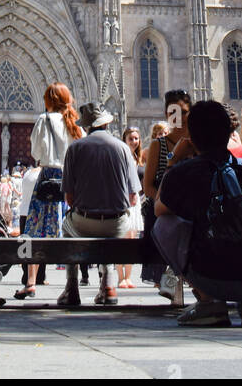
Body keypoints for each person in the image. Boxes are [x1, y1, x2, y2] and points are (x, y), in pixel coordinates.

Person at [153, 100, 242, 328]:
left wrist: (173, 159)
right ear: (229, 133)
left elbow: (159, 208)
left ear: (191, 136)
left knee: (163, 224)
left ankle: (209, 302)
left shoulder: (184, 172)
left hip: (213, 276)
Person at [57, 102, 139, 309]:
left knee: (66, 227)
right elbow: (133, 199)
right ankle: (109, 285)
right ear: (107, 124)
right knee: (112, 231)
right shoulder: (123, 148)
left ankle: (71, 286)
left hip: (84, 222)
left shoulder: (75, 148)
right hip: (117, 224)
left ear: (86, 126)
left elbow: (69, 198)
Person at [16, 83, 83, 299]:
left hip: (47, 178)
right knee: (70, 231)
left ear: (48, 100)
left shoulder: (44, 120)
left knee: (34, 231)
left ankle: (30, 283)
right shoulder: (75, 124)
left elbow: (36, 151)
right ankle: (72, 285)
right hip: (70, 179)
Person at [142, 90, 191, 292]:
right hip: (163, 209)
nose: (178, 117)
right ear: (166, 115)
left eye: (183, 111)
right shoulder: (158, 145)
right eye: (173, 112)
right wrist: (167, 204)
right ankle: (172, 289)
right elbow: (147, 187)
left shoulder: (197, 143)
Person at [116, 126, 144, 290]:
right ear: (124, 140)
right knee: (121, 240)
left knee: (131, 240)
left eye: (136, 138)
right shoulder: (121, 156)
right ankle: (120, 277)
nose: (134, 141)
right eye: (130, 138)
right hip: (122, 201)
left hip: (135, 203)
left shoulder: (137, 157)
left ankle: (128, 277)